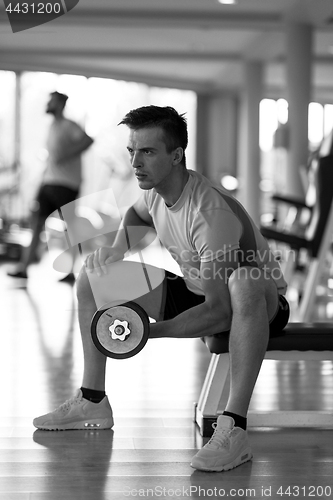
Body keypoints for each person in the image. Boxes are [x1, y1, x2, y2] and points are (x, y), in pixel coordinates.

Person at [33, 106, 290, 473]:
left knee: (243, 281)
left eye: (148, 152)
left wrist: (148, 333)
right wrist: (117, 249)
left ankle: (234, 427)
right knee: (93, 275)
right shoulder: (155, 191)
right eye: (132, 151)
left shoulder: (209, 214)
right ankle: (92, 399)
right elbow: (137, 215)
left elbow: (219, 312)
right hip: (198, 290)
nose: (136, 162)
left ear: (176, 155)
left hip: (257, 304)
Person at [8, 91, 93, 282]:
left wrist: (67, 154)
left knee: (70, 228)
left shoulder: (69, 125)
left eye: (52, 101)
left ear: (61, 104)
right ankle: (24, 268)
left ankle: (71, 271)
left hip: (67, 185)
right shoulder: (52, 126)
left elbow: (88, 140)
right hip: (49, 183)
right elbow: (52, 157)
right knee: (36, 223)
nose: (48, 103)